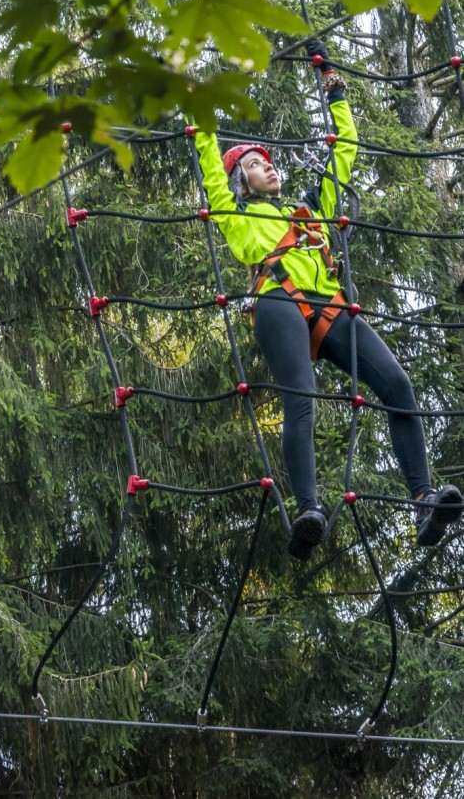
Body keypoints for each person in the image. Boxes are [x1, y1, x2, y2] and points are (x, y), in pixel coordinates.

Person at [193, 39, 462, 559]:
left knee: (397, 383)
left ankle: (424, 499)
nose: (267, 167)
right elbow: (207, 154)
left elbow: (345, 150)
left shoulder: (312, 210)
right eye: (254, 164)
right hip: (277, 301)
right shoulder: (234, 213)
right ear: (238, 182)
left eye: (268, 162)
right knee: (303, 395)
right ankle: (310, 509)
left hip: (333, 305)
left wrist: (332, 87)